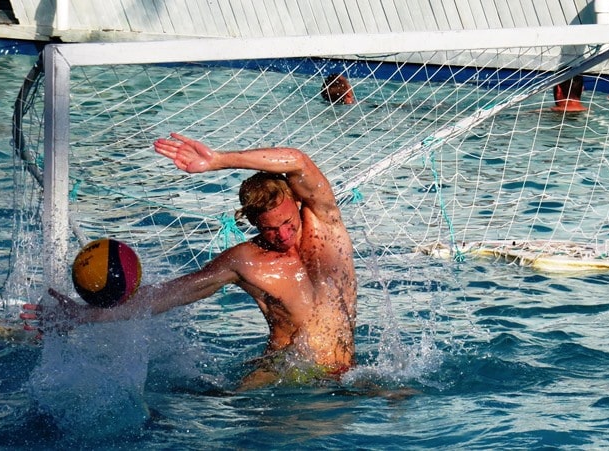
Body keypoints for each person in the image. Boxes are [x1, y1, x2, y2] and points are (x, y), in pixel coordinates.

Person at [22, 133, 358, 389]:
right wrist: (83, 316)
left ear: (296, 202)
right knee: (229, 402)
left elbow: (297, 160)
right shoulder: (245, 262)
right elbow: (169, 295)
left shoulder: (325, 222)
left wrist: (219, 160)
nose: (283, 235)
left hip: (346, 373)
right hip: (282, 378)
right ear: (253, 223)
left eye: (287, 223)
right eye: (270, 229)